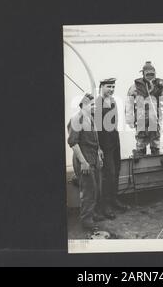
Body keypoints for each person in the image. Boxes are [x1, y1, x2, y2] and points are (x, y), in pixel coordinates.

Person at [67, 93, 104, 231]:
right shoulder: (77, 119)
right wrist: (83, 162)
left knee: (94, 189)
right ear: (83, 105)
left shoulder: (91, 118)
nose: (94, 107)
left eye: (95, 104)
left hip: (93, 158)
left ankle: (92, 214)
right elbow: (73, 143)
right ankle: (86, 221)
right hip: (83, 159)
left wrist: (99, 153)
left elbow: (95, 140)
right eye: (91, 104)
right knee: (88, 191)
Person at [94, 78, 129, 216]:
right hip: (104, 144)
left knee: (117, 170)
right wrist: (98, 148)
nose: (112, 89)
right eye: (109, 86)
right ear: (101, 86)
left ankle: (114, 200)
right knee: (109, 174)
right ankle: (105, 206)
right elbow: (96, 129)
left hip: (115, 142)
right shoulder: (97, 103)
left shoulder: (113, 101)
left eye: (113, 86)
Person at [125, 61, 163, 156]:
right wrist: (130, 119)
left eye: (152, 74)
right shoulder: (135, 86)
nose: (150, 76)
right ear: (143, 73)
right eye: (148, 74)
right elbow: (129, 103)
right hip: (141, 118)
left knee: (155, 139)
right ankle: (140, 155)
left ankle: (156, 154)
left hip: (155, 118)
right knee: (141, 140)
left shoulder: (160, 86)